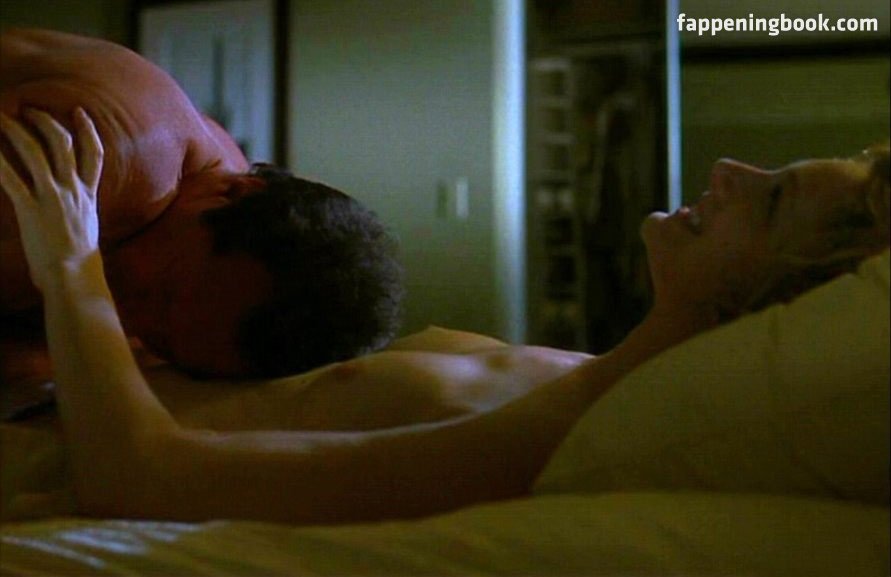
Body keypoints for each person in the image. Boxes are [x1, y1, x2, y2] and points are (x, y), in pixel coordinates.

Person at [1, 109, 887, 524]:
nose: (731, 169)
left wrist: (71, 258)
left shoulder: (568, 437)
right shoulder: (576, 377)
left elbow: (145, 482)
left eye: (772, 202)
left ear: (785, 300)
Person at [0, 28, 402, 379]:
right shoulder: (110, 164)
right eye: (163, 292)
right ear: (232, 193)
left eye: (161, 342)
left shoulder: (210, 182)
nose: (132, 320)